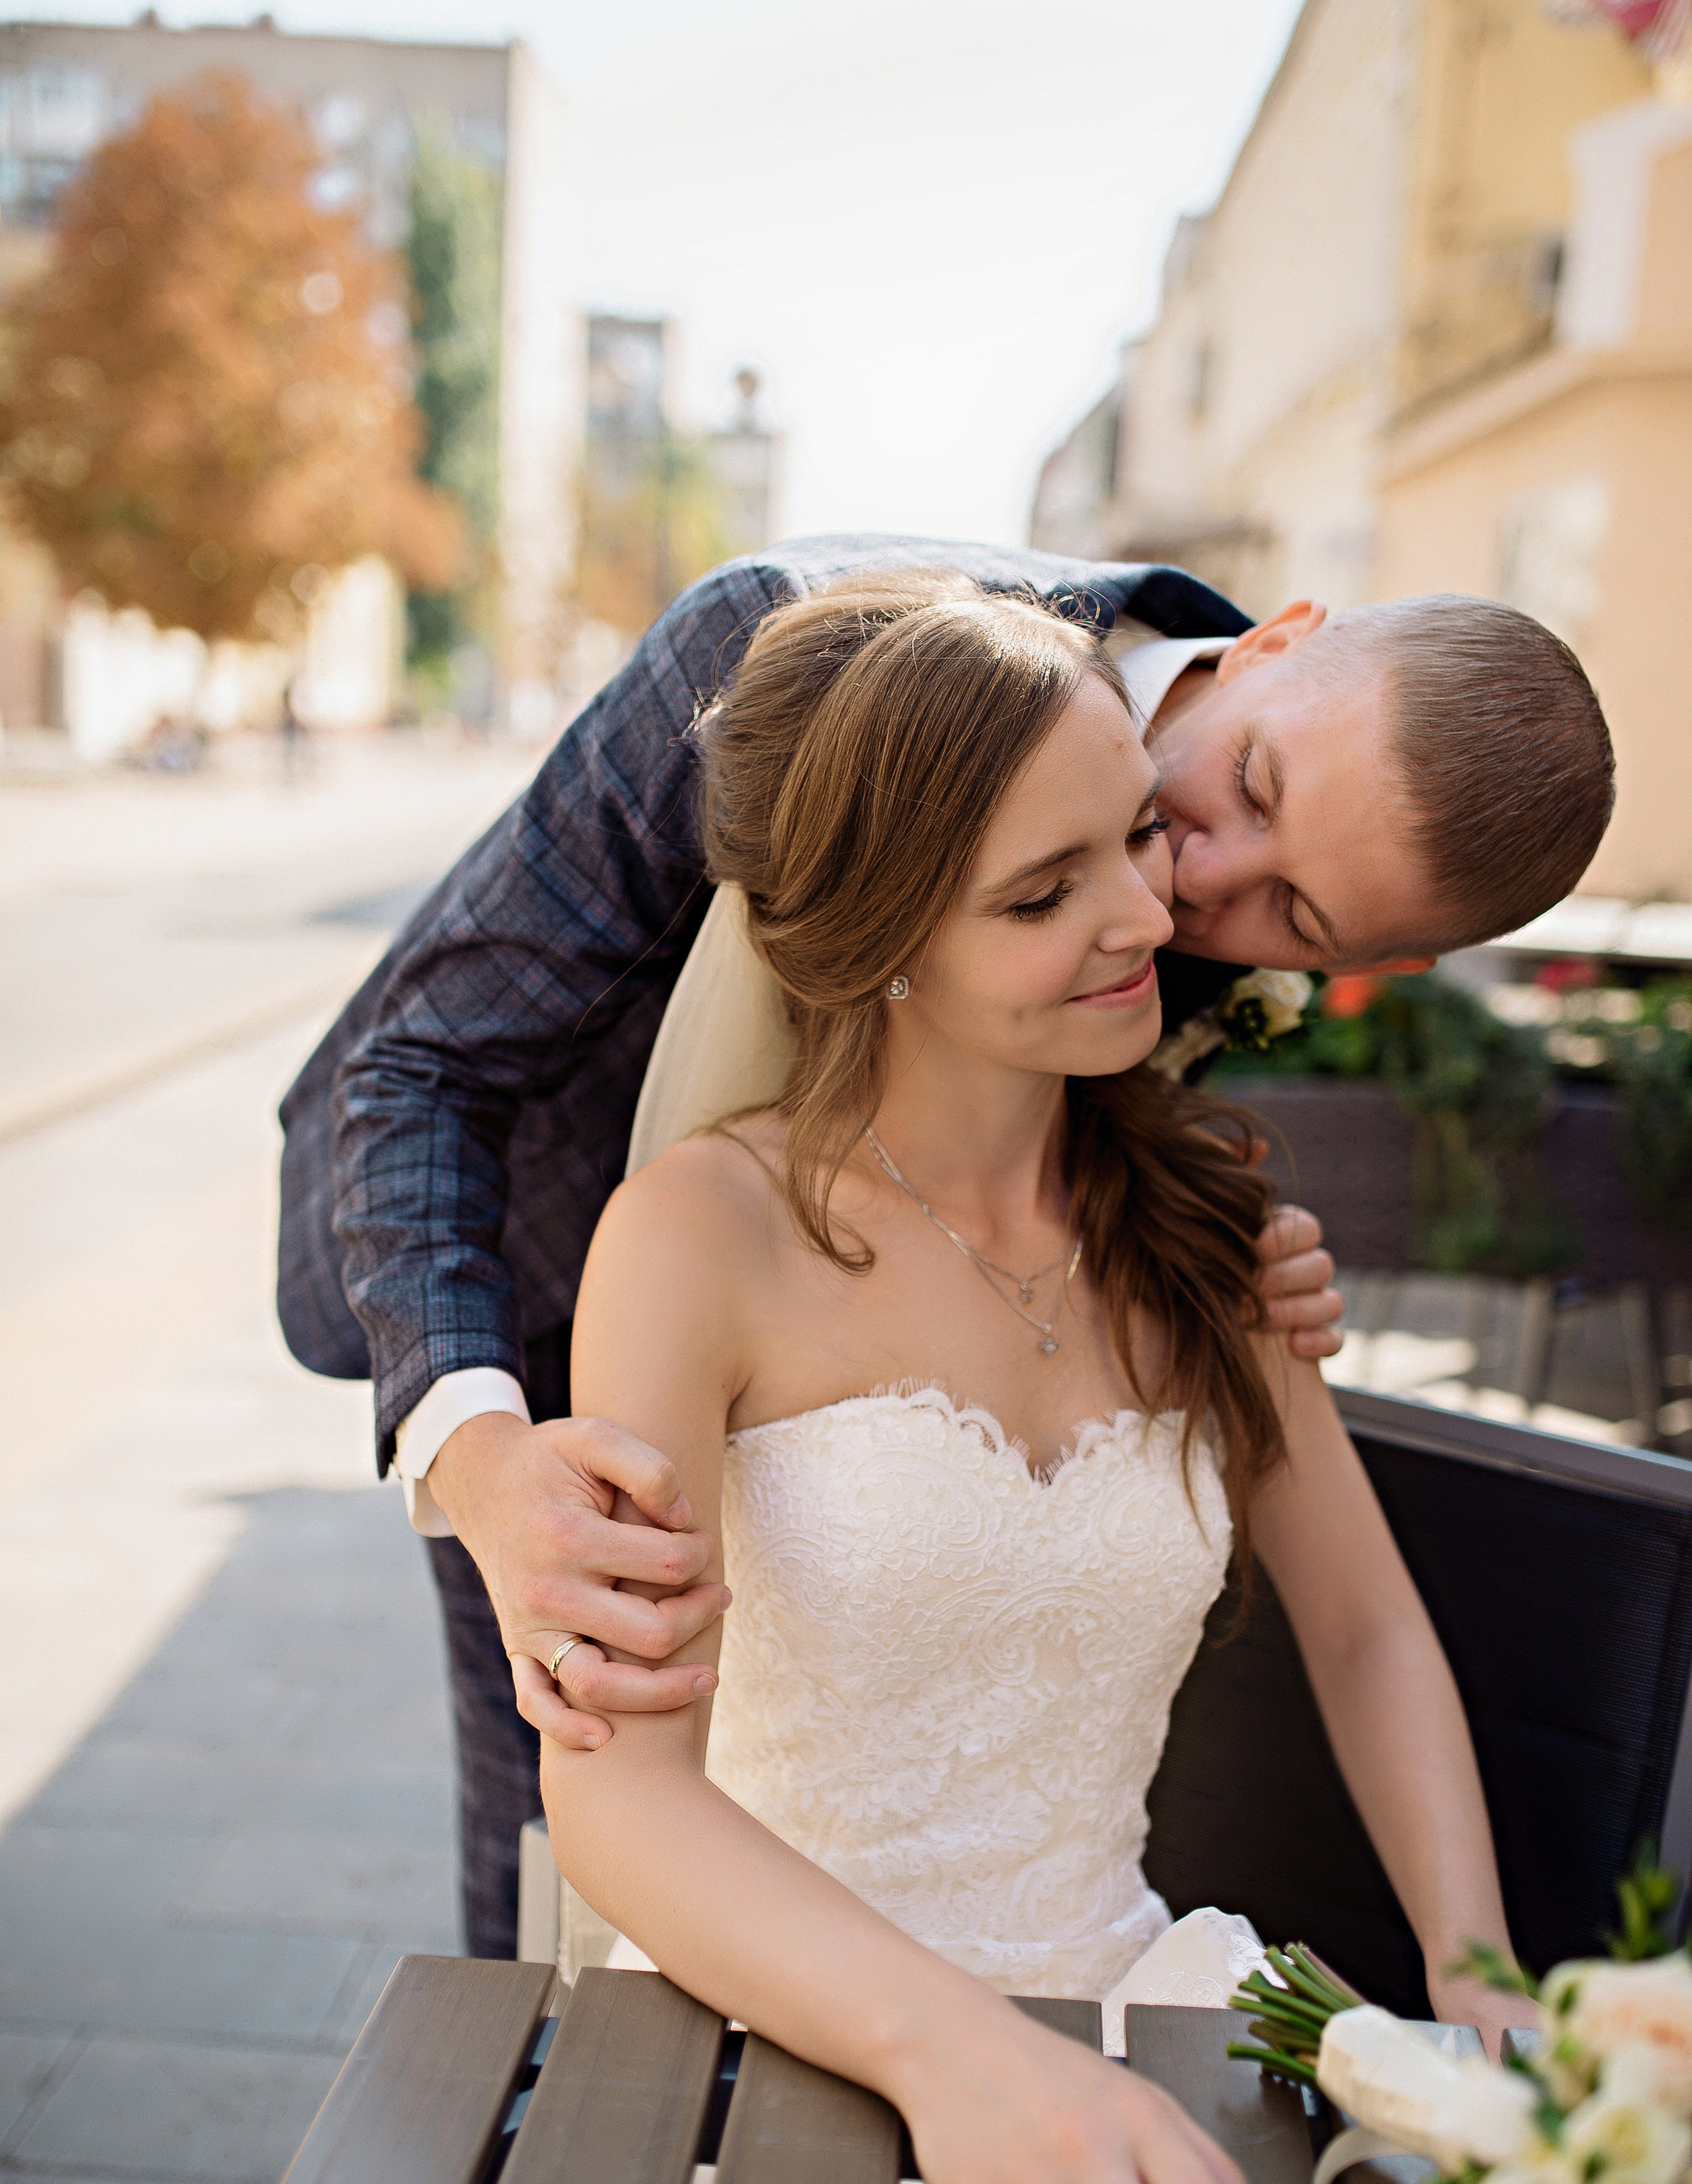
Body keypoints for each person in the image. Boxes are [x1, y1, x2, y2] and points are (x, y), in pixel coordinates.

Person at [275, 535, 1614, 1958]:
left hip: (936, 1345)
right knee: (547, 1889)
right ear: (1275, 640)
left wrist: (1217, 1253)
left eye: (1291, 915)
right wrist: (476, 1453)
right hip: (524, 1303)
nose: (1182, 897)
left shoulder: (1181, 925)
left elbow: (1048, 1116)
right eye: (1251, 789)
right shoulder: (765, 655)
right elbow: (420, 1067)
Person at [541, 572, 1536, 2184]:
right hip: (770, 2042)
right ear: (881, 938)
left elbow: (1367, 1622)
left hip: (1139, 2007)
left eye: (1138, 840)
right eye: (1044, 889)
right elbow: (612, 1786)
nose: (1155, 915)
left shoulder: (1215, 1240)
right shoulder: (698, 1236)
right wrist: (965, 2062)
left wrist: (1481, 1980)